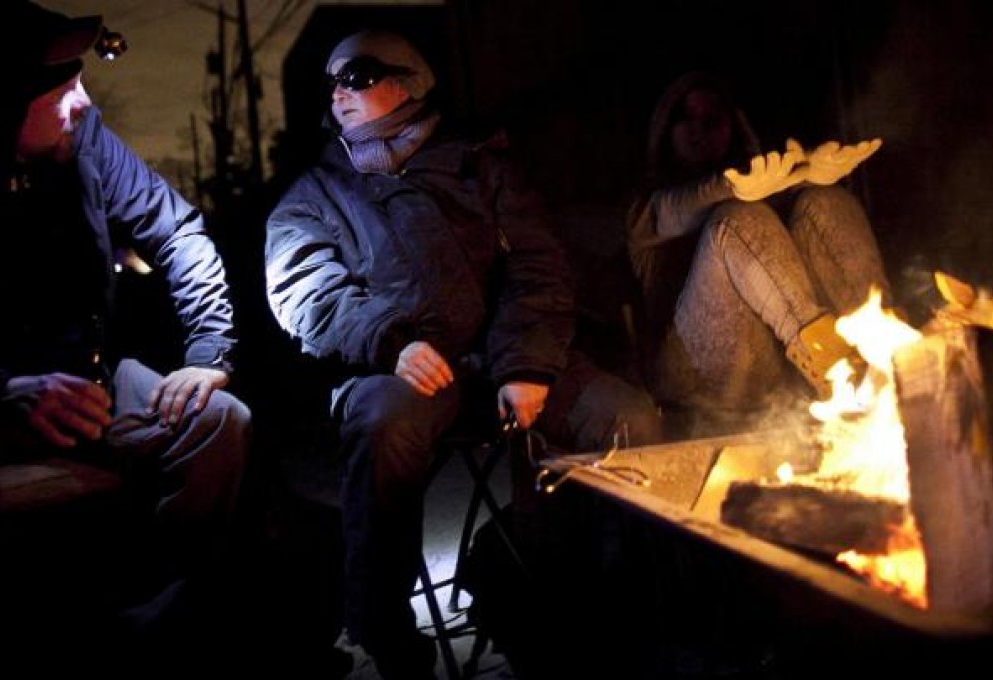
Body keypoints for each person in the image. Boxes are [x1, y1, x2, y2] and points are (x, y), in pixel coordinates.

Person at [264, 29, 664, 680]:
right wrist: (389, 339)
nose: (338, 91)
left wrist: (526, 363)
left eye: (357, 75)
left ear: (410, 83)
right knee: (381, 424)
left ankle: (630, 602)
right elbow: (303, 289)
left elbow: (541, 268)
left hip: (510, 352)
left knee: (628, 417)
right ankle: (382, 631)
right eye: (332, 80)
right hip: (400, 364)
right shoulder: (316, 192)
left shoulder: (483, 166)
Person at [0, 0, 251, 652]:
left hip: (89, 378)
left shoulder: (85, 140)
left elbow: (178, 231)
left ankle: (165, 626)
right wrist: (2, 392)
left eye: (79, 81)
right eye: (59, 92)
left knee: (219, 422)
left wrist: (208, 351)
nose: (81, 101)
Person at [627, 70, 894, 437]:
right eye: (685, 118)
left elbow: (777, 193)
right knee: (737, 218)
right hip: (698, 375)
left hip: (774, 365)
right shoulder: (646, 208)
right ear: (664, 129)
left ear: (732, 127)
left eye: (711, 119)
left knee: (824, 200)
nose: (698, 129)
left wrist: (806, 172)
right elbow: (681, 209)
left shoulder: (763, 190)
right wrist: (731, 186)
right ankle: (835, 368)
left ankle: (887, 358)